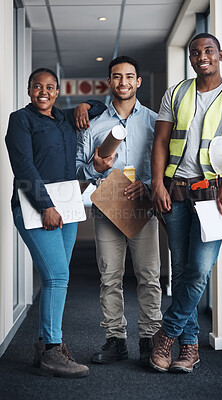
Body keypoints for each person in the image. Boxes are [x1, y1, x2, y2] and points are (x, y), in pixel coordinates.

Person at [150, 33, 222, 373]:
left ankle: (166, 334)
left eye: (208, 51)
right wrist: (157, 184)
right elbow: (161, 140)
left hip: (215, 196)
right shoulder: (176, 93)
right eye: (196, 52)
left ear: (220, 54)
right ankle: (190, 347)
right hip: (177, 192)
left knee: (198, 269)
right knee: (180, 272)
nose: (201, 56)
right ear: (191, 59)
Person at [5, 68, 106, 378]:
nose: (43, 92)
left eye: (50, 87)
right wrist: (45, 206)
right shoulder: (20, 120)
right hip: (36, 206)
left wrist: (84, 106)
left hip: (68, 206)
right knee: (57, 276)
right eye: (38, 86)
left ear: (58, 91)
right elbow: (23, 166)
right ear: (28, 89)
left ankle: (43, 346)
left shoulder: (62, 118)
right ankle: (53, 350)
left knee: (57, 278)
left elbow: (101, 105)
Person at [76, 56, 162, 365]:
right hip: (108, 206)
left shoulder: (154, 121)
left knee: (149, 275)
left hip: (142, 206)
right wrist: (95, 167)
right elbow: (79, 168)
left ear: (138, 81)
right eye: (116, 76)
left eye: (129, 76)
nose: (123, 81)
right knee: (109, 276)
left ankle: (150, 340)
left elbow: (165, 164)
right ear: (109, 82)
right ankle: (116, 340)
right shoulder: (94, 124)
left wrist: (149, 183)